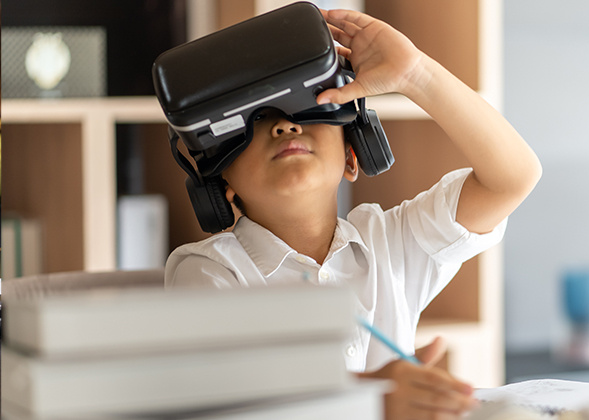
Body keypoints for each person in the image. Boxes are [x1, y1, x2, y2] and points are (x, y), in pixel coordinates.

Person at [165, 8, 542, 420]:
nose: (284, 126)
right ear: (222, 186)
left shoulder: (392, 244)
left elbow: (512, 178)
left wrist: (416, 75)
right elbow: (227, 397)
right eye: (255, 121)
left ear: (352, 154)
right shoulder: (207, 272)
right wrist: (370, 398)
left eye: (309, 107)